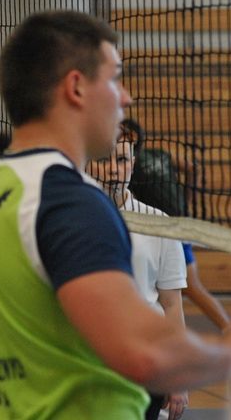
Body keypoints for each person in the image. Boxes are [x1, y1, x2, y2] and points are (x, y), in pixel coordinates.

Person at [0, 10, 231, 419]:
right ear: (77, 87)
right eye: (115, 78)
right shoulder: (68, 200)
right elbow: (145, 353)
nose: (126, 97)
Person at [87, 120, 188, 420]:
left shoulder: (159, 223)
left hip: (144, 362)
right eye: (103, 160)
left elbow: (172, 305)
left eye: (122, 160)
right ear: (87, 163)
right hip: (86, 363)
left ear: (133, 164)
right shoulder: (71, 220)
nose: (113, 170)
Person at [122, 118, 231, 333]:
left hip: (167, 229)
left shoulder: (130, 168)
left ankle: (230, 330)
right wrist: (184, 202)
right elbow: (192, 168)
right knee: (185, 287)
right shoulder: (160, 154)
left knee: (191, 287)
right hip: (177, 224)